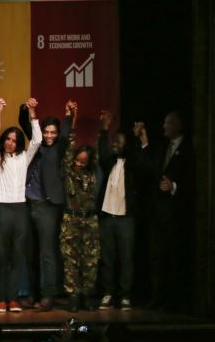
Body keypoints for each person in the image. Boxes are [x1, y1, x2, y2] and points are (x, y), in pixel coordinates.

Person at [0, 98, 41, 313]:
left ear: (18, 143)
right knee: (2, 256)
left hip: (20, 210)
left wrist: (33, 112)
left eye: (14, 140)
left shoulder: (24, 158)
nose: (10, 142)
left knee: (17, 256)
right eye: (7, 139)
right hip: (1, 210)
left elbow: (36, 140)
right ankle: (1, 299)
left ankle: (14, 299)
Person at [20, 100, 74, 312]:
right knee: (31, 253)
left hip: (48, 207)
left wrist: (68, 115)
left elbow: (67, 132)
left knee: (47, 253)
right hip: (28, 204)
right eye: (47, 132)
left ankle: (48, 296)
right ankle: (33, 295)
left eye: (53, 132)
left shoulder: (58, 148)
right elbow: (24, 123)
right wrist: (26, 108)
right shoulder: (36, 145)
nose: (50, 136)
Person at [96, 111, 150, 311]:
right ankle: (108, 293)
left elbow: (143, 160)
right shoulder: (109, 162)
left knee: (126, 258)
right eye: (114, 141)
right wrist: (104, 129)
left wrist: (139, 137)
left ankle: (125, 295)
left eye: (119, 142)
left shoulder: (133, 164)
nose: (115, 144)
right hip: (108, 217)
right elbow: (102, 152)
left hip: (126, 218)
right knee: (108, 258)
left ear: (127, 144)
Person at [141, 110, 194, 310]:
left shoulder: (191, 148)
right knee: (156, 257)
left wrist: (174, 187)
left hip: (176, 214)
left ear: (178, 125)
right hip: (157, 213)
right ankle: (158, 297)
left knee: (174, 257)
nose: (164, 126)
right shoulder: (163, 147)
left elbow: (196, 178)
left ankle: (175, 301)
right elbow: (150, 168)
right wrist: (144, 141)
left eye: (168, 123)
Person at [60, 105, 101, 313]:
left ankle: (86, 295)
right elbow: (69, 145)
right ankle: (73, 297)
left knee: (90, 261)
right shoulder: (68, 170)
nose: (78, 164)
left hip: (90, 221)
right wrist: (73, 118)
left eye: (83, 162)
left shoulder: (94, 173)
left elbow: (100, 151)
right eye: (77, 160)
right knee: (71, 261)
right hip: (71, 219)